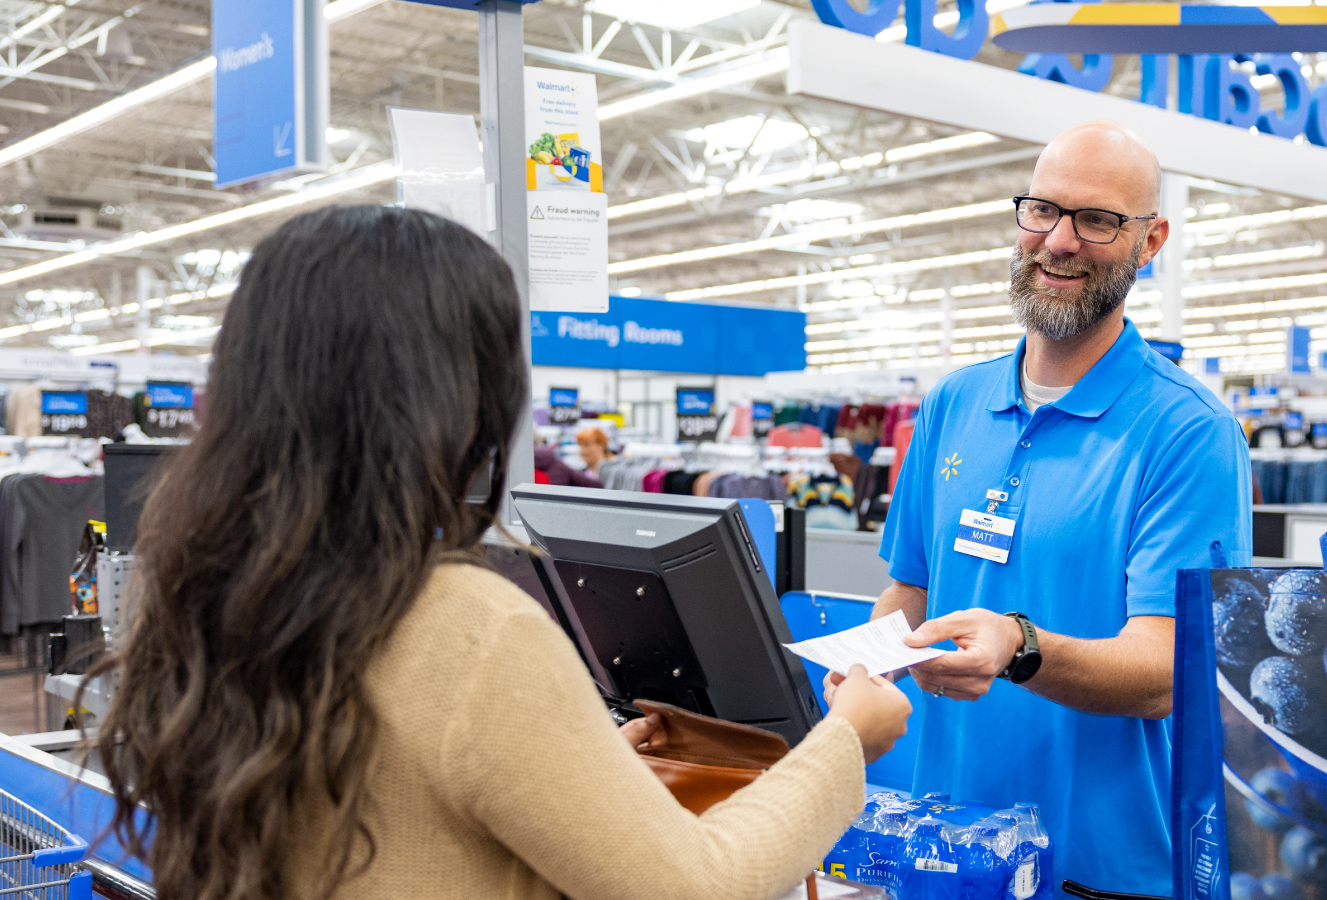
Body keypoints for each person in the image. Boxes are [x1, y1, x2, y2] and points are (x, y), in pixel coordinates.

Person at [90, 206, 912, 900]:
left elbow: (394, 800)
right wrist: (843, 743)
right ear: (460, 393)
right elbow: (696, 886)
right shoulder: (471, 628)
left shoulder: (212, 588)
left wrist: (568, 768)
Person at [856, 121, 1252, 896]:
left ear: (1151, 240)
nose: (1060, 241)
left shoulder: (1188, 432)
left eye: (1098, 221)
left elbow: (1166, 671)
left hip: (1098, 870)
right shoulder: (952, 404)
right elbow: (909, 595)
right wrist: (861, 676)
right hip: (946, 848)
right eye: (1042, 210)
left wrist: (1019, 645)